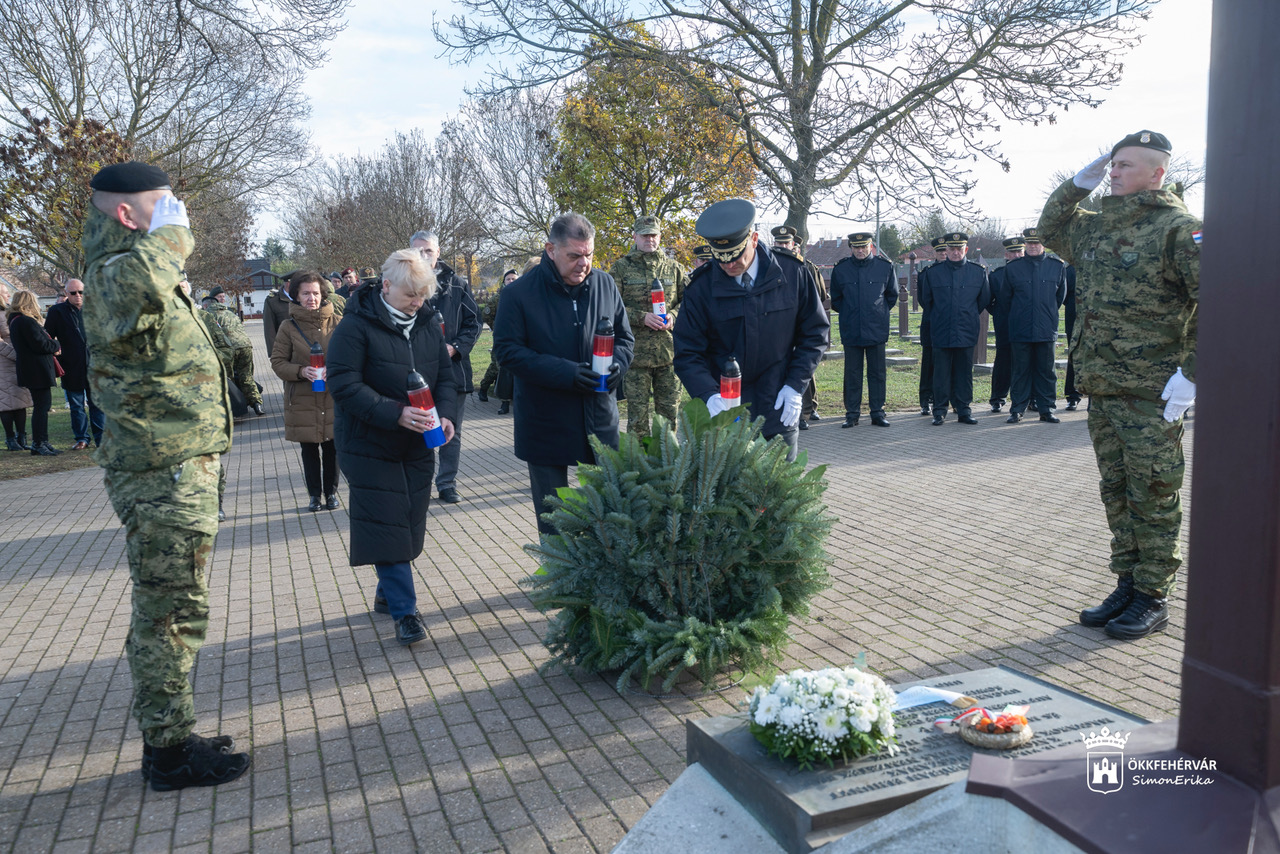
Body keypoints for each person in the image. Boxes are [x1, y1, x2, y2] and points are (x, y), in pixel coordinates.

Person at [81, 160, 249, 789]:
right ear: (127, 214)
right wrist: (173, 236)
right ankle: (170, 754)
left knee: (176, 606)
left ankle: (172, 731)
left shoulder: (140, 266)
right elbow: (147, 278)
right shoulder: (114, 273)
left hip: (179, 468)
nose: (179, 215)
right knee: (169, 614)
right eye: (166, 204)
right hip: (160, 474)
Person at [1039, 130, 1200, 640]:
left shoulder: (1181, 230)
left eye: (1125, 165)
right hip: (1103, 386)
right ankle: (1127, 583)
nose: (1114, 172)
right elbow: (1049, 226)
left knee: (1154, 493)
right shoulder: (1095, 227)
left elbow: (1220, 300)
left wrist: (1192, 375)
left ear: (1157, 173)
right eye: (1110, 165)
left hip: (1155, 392)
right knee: (1117, 491)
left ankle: (1154, 595)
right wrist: (1079, 181)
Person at [327, 249, 458, 646]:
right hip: (368, 443)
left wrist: (446, 415)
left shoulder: (428, 323)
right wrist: (394, 413)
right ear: (385, 286)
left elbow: (446, 379)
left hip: (418, 441)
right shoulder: (354, 327)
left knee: (410, 518)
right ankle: (406, 613)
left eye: (422, 295)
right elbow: (344, 384)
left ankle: (387, 589)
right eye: (409, 295)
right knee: (387, 522)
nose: (417, 302)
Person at [492, 212, 634, 536]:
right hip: (546, 420)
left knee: (609, 511)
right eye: (574, 256)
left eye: (589, 255)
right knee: (554, 518)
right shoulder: (518, 295)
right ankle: (560, 581)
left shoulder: (605, 283)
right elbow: (508, 351)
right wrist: (566, 373)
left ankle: (604, 579)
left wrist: (618, 365)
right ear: (551, 250)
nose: (583, 263)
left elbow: (625, 339)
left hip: (599, 415)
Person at [673, 199, 829, 462]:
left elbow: (814, 335)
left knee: (779, 493)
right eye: (720, 260)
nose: (728, 266)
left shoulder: (792, 273)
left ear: (754, 239)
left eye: (736, 256)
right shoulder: (701, 288)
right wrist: (708, 395)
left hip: (778, 403)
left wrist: (794, 386)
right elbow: (688, 352)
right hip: (726, 410)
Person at [410, 231, 481, 504]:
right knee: (420, 429)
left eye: (428, 251)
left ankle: (447, 483)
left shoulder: (457, 284)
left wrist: (456, 347)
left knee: (452, 430)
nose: (423, 256)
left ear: (438, 252)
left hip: (453, 370)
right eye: (418, 251)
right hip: (416, 373)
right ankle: (420, 483)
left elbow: (474, 322)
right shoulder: (404, 283)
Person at [608, 215, 686, 437]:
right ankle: (639, 467)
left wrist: (673, 315)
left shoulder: (675, 268)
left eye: (653, 235)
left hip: (669, 355)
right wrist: (641, 317)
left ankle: (667, 466)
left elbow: (689, 303)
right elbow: (611, 306)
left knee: (669, 417)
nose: (649, 239)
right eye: (645, 235)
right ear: (634, 236)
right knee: (637, 419)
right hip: (635, 356)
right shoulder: (621, 269)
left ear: (659, 236)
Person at [271, 271, 341, 512]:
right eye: (306, 293)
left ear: (322, 295)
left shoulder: (338, 322)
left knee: (332, 448)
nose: (311, 298)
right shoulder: (288, 327)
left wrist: (335, 370)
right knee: (309, 449)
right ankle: (314, 495)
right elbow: (278, 362)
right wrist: (302, 371)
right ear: (296, 296)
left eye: (315, 293)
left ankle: (331, 493)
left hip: (332, 396)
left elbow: (352, 358)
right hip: (301, 398)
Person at [919, 232, 990, 425]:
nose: (955, 252)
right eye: (952, 249)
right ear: (946, 250)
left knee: (964, 372)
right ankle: (939, 411)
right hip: (941, 329)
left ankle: (964, 409)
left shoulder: (978, 272)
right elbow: (927, 300)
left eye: (959, 249)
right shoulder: (933, 273)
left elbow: (983, 300)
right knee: (940, 372)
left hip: (966, 329)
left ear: (965, 249)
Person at [998, 227, 1067, 424]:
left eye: (1037, 243)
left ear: (1043, 244)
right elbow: (1006, 299)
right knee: (1020, 371)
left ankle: (1047, 409)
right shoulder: (1013, 268)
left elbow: (1059, 297)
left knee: (1047, 372)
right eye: (1030, 243)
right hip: (1021, 328)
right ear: (1025, 245)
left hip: (1046, 327)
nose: (1033, 246)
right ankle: (1017, 409)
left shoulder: (1057, 266)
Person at [829, 232, 897, 428]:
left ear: (871, 246)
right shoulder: (841, 269)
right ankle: (852, 414)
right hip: (851, 329)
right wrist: (852, 312)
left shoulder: (884, 267)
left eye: (864, 246)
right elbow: (836, 299)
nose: (860, 250)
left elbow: (891, 297)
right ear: (850, 247)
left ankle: (877, 412)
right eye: (856, 247)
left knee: (877, 374)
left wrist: (877, 312)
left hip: (876, 328)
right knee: (852, 374)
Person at [771, 225, 829, 429]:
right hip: (780, 327)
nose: (782, 246)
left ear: (794, 245)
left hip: (802, 325)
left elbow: (820, 296)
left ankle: (807, 410)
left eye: (786, 243)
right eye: (779, 243)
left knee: (804, 369)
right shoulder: (768, 265)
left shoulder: (807, 266)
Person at [44, 279, 106, 449]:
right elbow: (48, 335)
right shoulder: (57, 311)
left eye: (81, 292)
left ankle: (101, 439)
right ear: (66, 294)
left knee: (97, 405)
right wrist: (57, 349)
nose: (78, 296)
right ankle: (82, 438)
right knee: (77, 406)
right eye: (73, 293)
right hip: (71, 365)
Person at [6, 290, 62, 456]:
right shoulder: (26, 321)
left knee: (42, 406)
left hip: (30, 369)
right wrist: (56, 345)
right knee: (42, 407)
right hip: (37, 369)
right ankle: (39, 442)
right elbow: (41, 345)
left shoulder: (15, 321)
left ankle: (42, 441)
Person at [205, 286, 263, 416]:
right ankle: (257, 404)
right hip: (245, 346)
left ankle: (235, 409)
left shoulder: (208, 315)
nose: (222, 298)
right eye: (220, 296)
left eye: (223, 296)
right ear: (214, 299)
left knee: (229, 380)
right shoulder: (230, 313)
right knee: (246, 377)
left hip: (228, 349)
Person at [986, 237, 1024, 413]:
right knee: (1003, 362)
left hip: (1026, 324)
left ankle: (1029, 398)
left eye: (1019, 251)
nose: (1016, 255)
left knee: (1026, 362)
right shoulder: (996, 275)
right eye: (1012, 252)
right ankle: (998, 398)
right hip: (1005, 324)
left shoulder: (1030, 271)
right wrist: (999, 313)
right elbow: (987, 300)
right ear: (1006, 254)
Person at [477, 268, 518, 409]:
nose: (511, 281)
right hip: (502, 337)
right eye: (509, 279)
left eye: (514, 279)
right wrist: (496, 327)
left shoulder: (523, 295)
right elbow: (486, 315)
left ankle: (489, 390)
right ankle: (502, 400)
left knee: (500, 366)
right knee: (500, 366)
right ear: (504, 282)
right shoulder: (497, 298)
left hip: (518, 338)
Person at [0, 282, 33, 451]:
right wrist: (16, 355)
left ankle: (22, 436)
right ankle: (10, 438)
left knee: (21, 400)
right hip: (4, 364)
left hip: (18, 362)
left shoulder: (9, 313)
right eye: (5, 293)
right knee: (6, 402)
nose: (8, 296)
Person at [915, 238, 946, 415]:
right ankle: (926, 399)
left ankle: (947, 399)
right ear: (934, 253)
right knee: (929, 364)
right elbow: (923, 300)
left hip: (949, 326)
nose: (942, 254)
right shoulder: (926, 273)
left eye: (945, 251)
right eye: (939, 251)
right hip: (931, 324)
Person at [1062, 264, 1081, 410]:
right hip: (1074, 316)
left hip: (1099, 318)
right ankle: (1073, 396)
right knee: (1074, 355)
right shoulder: (1070, 270)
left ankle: (1094, 401)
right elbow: (1063, 294)